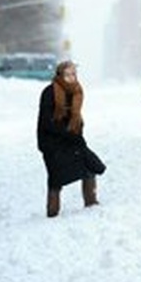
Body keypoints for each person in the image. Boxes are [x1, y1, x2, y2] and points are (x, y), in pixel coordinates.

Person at [37, 60, 101, 217]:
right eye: (68, 74)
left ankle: (91, 202)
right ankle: (52, 211)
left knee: (89, 166)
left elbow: (76, 116)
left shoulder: (76, 91)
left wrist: (77, 132)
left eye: (74, 74)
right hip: (52, 140)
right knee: (56, 177)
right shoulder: (50, 92)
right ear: (60, 75)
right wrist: (69, 134)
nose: (72, 77)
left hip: (71, 138)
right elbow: (47, 121)